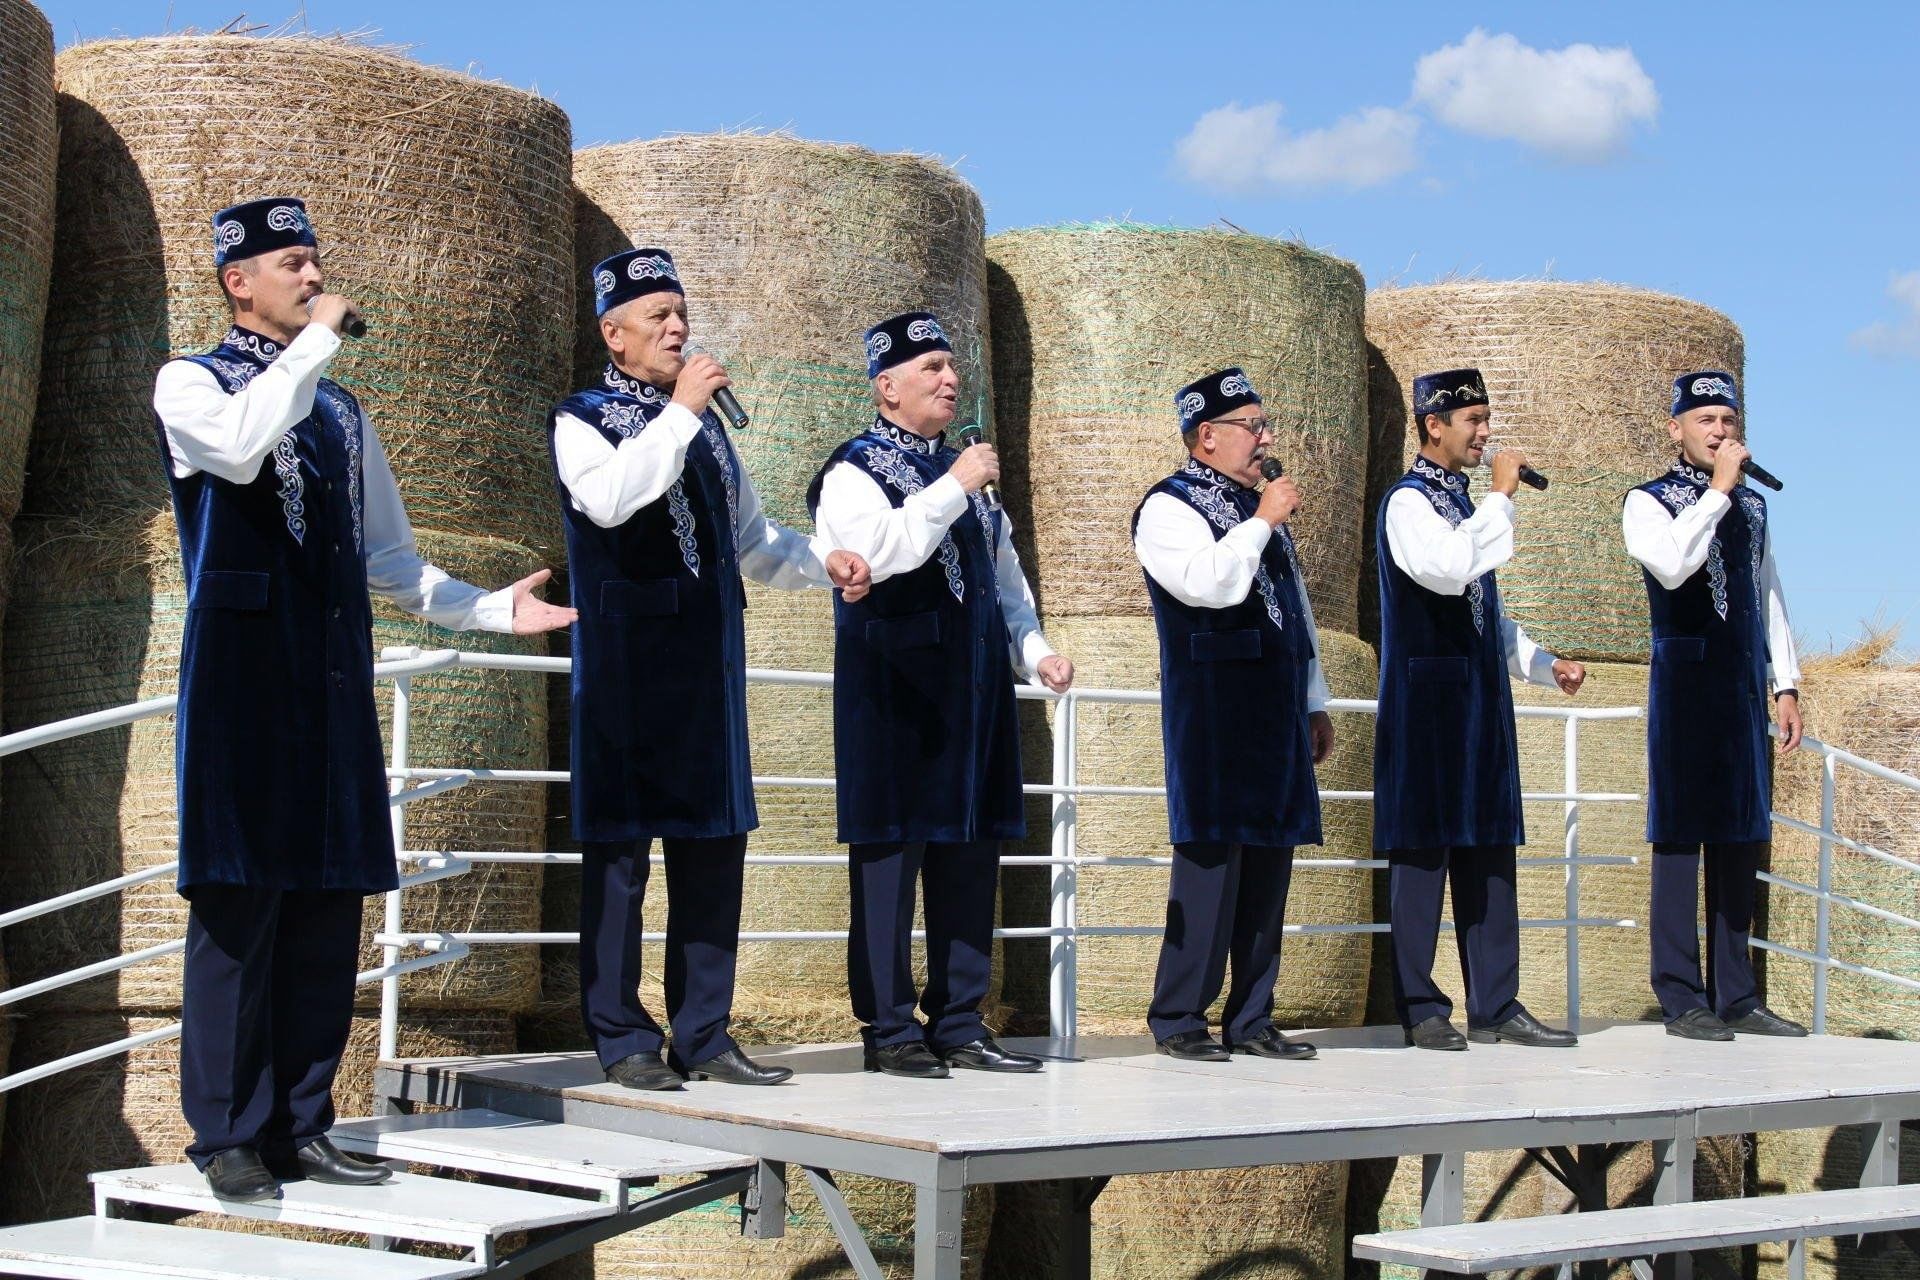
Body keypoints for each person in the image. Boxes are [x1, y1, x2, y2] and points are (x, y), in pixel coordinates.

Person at [153, 197, 575, 1200]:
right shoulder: (191, 381)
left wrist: (486, 612)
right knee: (237, 903)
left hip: (332, 675)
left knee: (325, 910)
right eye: (292, 264)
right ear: (237, 280)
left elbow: (389, 559)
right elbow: (241, 450)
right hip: (242, 683)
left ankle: (303, 1121)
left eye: (316, 263)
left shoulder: (344, 412)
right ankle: (224, 1134)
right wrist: (317, 350)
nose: (313, 278)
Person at [552, 248, 872, 1091]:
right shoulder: (582, 417)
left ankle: (705, 1031)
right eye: (656, 316)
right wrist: (684, 411)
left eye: (681, 313)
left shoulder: (705, 433)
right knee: (620, 859)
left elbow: (752, 543)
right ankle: (621, 1037)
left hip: (706, 667)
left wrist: (822, 564)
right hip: (625, 667)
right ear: (613, 334)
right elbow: (610, 500)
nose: (676, 327)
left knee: (712, 848)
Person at [808, 311, 1073, 1078]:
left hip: (974, 693)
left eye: (953, 367)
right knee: (891, 864)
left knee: (969, 859)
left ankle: (960, 1020)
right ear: (887, 386)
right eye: (931, 369)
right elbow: (880, 555)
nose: (950, 379)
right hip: (894, 692)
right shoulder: (853, 470)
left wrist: (1038, 652)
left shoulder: (971, 479)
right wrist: (954, 487)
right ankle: (888, 1030)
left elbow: (1005, 585)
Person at [1374, 367, 1585, 1051]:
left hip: (1478, 705)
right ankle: (1421, 1006)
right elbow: (1448, 569)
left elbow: (1482, 611)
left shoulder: (1466, 504)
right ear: (1434, 425)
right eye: (1474, 421)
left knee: (1490, 853)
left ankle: (1496, 1002)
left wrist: (1543, 664)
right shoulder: (1408, 503)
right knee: (1421, 859)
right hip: (1426, 703)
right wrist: (1500, 496)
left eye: (1487, 420)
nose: (1487, 433)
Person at [1131, 368, 1331, 1063]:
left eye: (1264, 423)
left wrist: (1314, 698)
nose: (1266, 437)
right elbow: (1209, 584)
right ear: (1206, 435)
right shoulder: (1169, 505)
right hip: (1214, 706)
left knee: (1270, 864)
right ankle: (1180, 1015)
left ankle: (1252, 1017)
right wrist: (1263, 521)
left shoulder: (1256, 510)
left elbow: (1294, 610)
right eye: (1253, 424)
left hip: (1274, 705)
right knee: (1211, 861)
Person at [1622, 371, 1807, 1041]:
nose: (1719, 431)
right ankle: (1680, 993)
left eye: (1727, 419)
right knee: (1681, 833)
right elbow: (1673, 566)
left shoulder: (1753, 507)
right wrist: (1718, 493)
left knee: (1738, 835)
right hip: (1684, 679)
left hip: (1738, 683)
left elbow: (1767, 591)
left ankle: (1738, 993)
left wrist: (1784, 682)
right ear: (1677, 429)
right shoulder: (1648, 501)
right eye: (1705, 420)